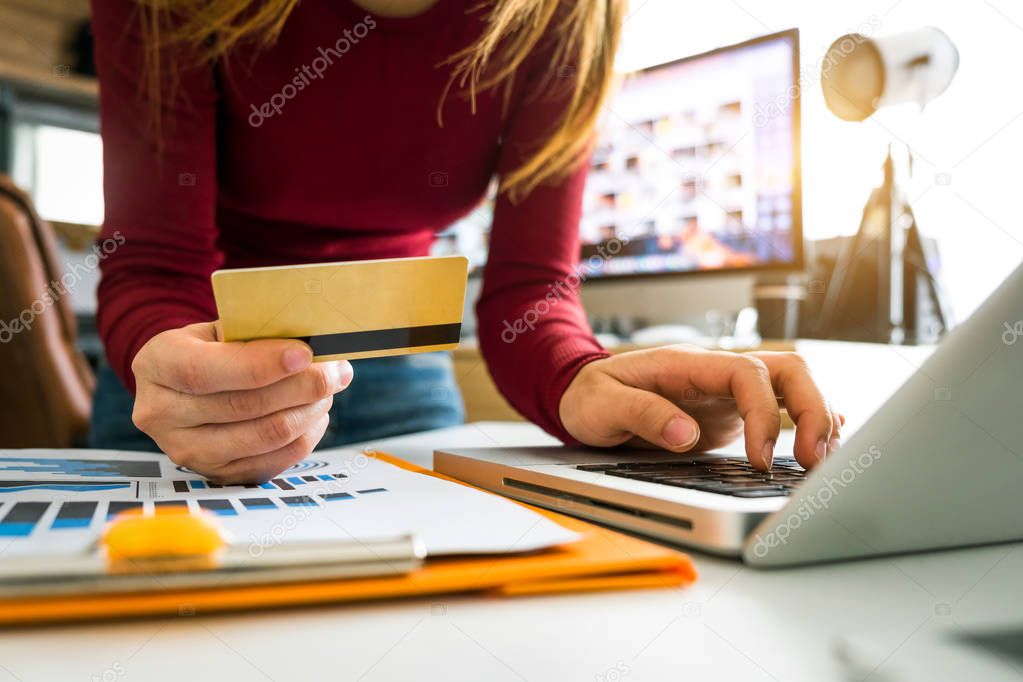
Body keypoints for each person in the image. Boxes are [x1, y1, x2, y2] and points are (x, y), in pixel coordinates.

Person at [89, 0, 843, 483]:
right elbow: (155, 263)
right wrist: (169, 359)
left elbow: (529, 290)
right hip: (188, 366)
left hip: (397, 365)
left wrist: (578, 377)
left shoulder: (565, 15)